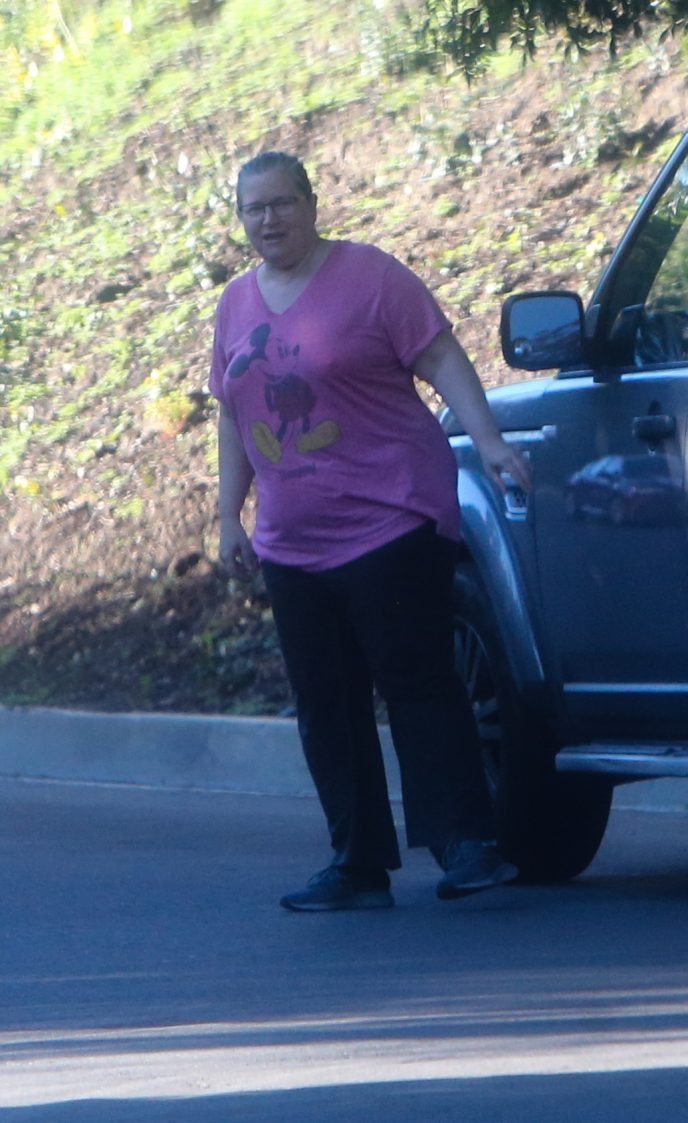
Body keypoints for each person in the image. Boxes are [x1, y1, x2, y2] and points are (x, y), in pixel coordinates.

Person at [209, 150, 531, 912]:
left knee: (417, 679)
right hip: (292, 538)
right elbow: (232, 409)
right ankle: (356, 861)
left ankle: (465, 843)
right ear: (241, 219)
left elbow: (441, 355)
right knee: (325, 700)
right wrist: (229, 513)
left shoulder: (371, 277)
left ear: (311, 203)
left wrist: (487, 441)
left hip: (390, 514)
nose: (269, 219)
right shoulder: (235, 304)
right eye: (254, 209)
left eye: (282, 203)